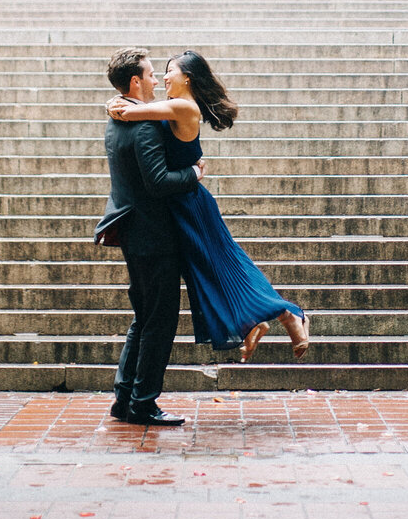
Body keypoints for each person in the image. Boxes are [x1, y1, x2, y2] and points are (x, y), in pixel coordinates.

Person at [108, 50, 310, 363]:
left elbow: (128, 112)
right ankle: (255, 321)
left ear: (187, 77)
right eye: (160, 72)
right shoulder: (171, 107)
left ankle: (289, 316)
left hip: (190, 204)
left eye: (170, 71)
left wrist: (113, 104)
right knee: (211, 269)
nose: (163, 77)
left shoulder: (183, 106)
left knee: (225, 264)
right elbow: (136, 110)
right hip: (179, 205)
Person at [95, 47, 203, 426]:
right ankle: (143, 403)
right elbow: (158, 182)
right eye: (151, 74)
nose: (157, 80)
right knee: (159, 320)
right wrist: (195, 174)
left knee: (143, 319)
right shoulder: (141, 124)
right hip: (153, 235)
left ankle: (124, 398)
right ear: (136, 81)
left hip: (134, 231)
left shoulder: (117, 117)